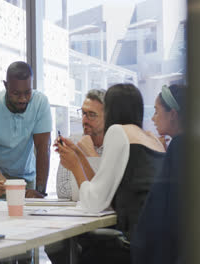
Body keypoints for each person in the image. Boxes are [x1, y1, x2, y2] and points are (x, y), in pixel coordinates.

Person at [55, 83, 166, 263]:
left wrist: (75, 165)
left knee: (70, 247)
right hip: (158, 241)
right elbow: (108, 192)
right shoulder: (152, 139)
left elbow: (94, 202)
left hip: (135, 242)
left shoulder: (117, 132)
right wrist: (80, 156)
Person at [0, 61, 52, 198]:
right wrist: (12, 190)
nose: (22, 99)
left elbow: (43, 149)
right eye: (16, 93)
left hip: (26, 176)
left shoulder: (40, 103)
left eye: (27, 93)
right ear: (6, 85)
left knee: (29, 216)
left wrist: (40, 190)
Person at [131, 84, 185, 264]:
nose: (153, 118)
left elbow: (163, 210)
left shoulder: (179, 147)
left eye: (156, 111)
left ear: (173, 114)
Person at [56, 89, 105, 200]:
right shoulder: (72, 142)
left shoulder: (114, 145)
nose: (84, 120)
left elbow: (107, 195)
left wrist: (91, 154)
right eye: (83, 113)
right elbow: (63, 191)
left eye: (92, 115)